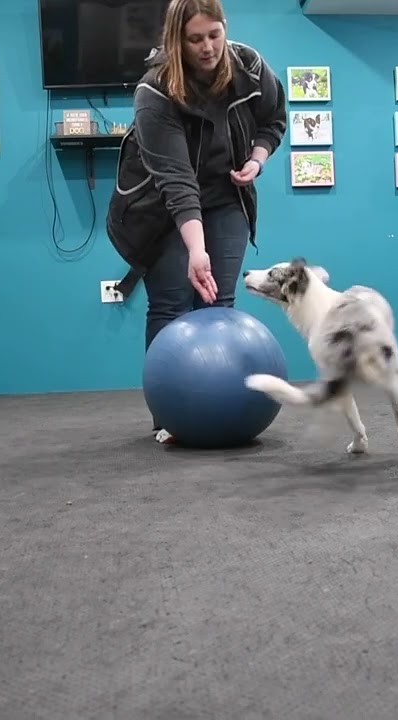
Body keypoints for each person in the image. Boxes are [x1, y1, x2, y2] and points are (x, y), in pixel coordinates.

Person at [105, 0, 288, 443]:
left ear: (225, 28)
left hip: (226, 198)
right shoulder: (154, 91)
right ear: (177, 40)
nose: (207, 47)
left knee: (217, 303)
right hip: (161, 208)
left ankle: (222, 411)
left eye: (214, 35)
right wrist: (197, 249)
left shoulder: (249, 66)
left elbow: (274, 119)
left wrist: (257, 160)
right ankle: (169, 416)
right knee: (170, 305)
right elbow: (176, 180)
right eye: (195, 39)